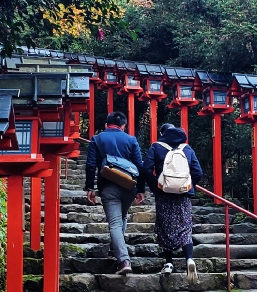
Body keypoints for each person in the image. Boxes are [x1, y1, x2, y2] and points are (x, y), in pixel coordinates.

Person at [85, 111, 145, 276]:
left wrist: (90, 187)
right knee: (122, 218)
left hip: (108, 185)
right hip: (129, 186)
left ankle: (124, 260)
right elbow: (140, 166)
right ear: (123, 126)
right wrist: (141, 190)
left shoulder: (97, 139)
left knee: (115, 223)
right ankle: (114, 249)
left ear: (106, 124)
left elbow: (90, 165)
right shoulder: (131, 140)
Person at [143, 122, 203, 279]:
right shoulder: (186, 148)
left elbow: (146, 169)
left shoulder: (156, 147)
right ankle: (189, 258)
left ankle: (169, 263)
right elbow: (198, 172)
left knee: (164, 227)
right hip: (182, 195)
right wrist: (188, 185)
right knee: (185, 226)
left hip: (164, 194)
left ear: (162, 133)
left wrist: (156, 187)